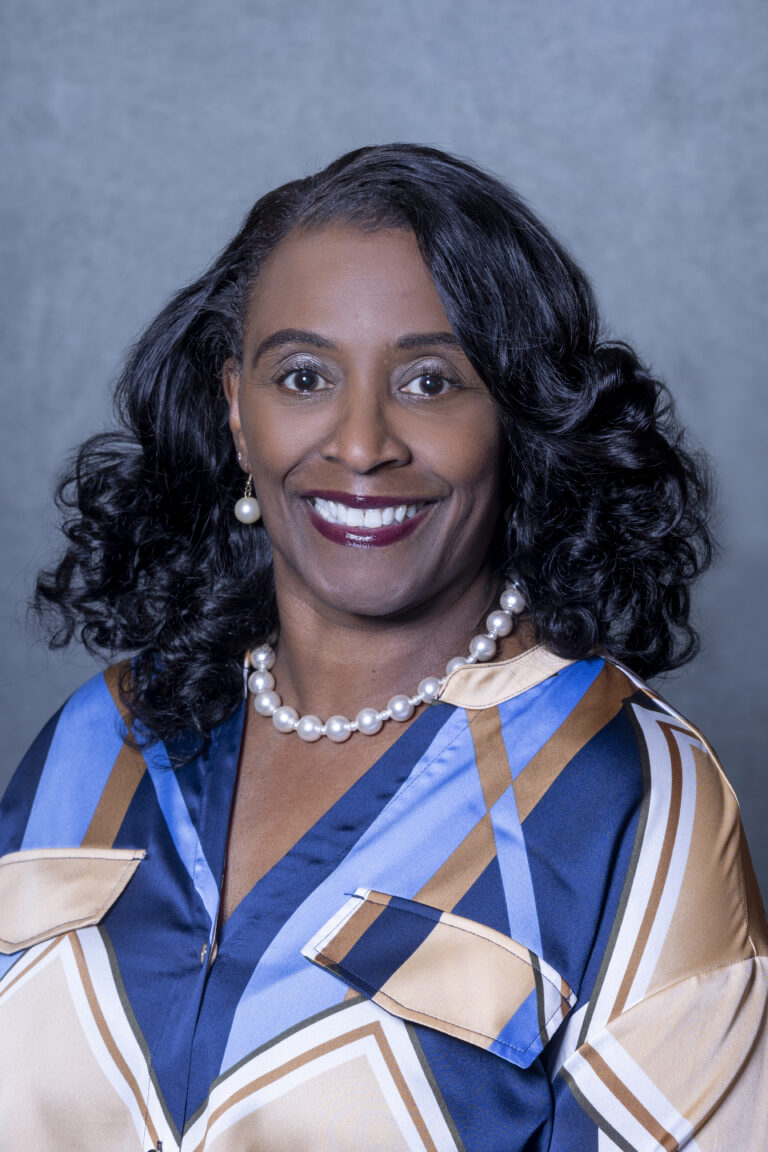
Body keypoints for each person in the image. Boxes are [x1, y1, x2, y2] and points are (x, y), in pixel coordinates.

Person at [0, 143, 765, 1151]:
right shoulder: (98, 740)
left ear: (516, 417)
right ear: (237, 410)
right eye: (305, 376)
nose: (361, 446)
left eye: (432, 381)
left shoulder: (627, 797)